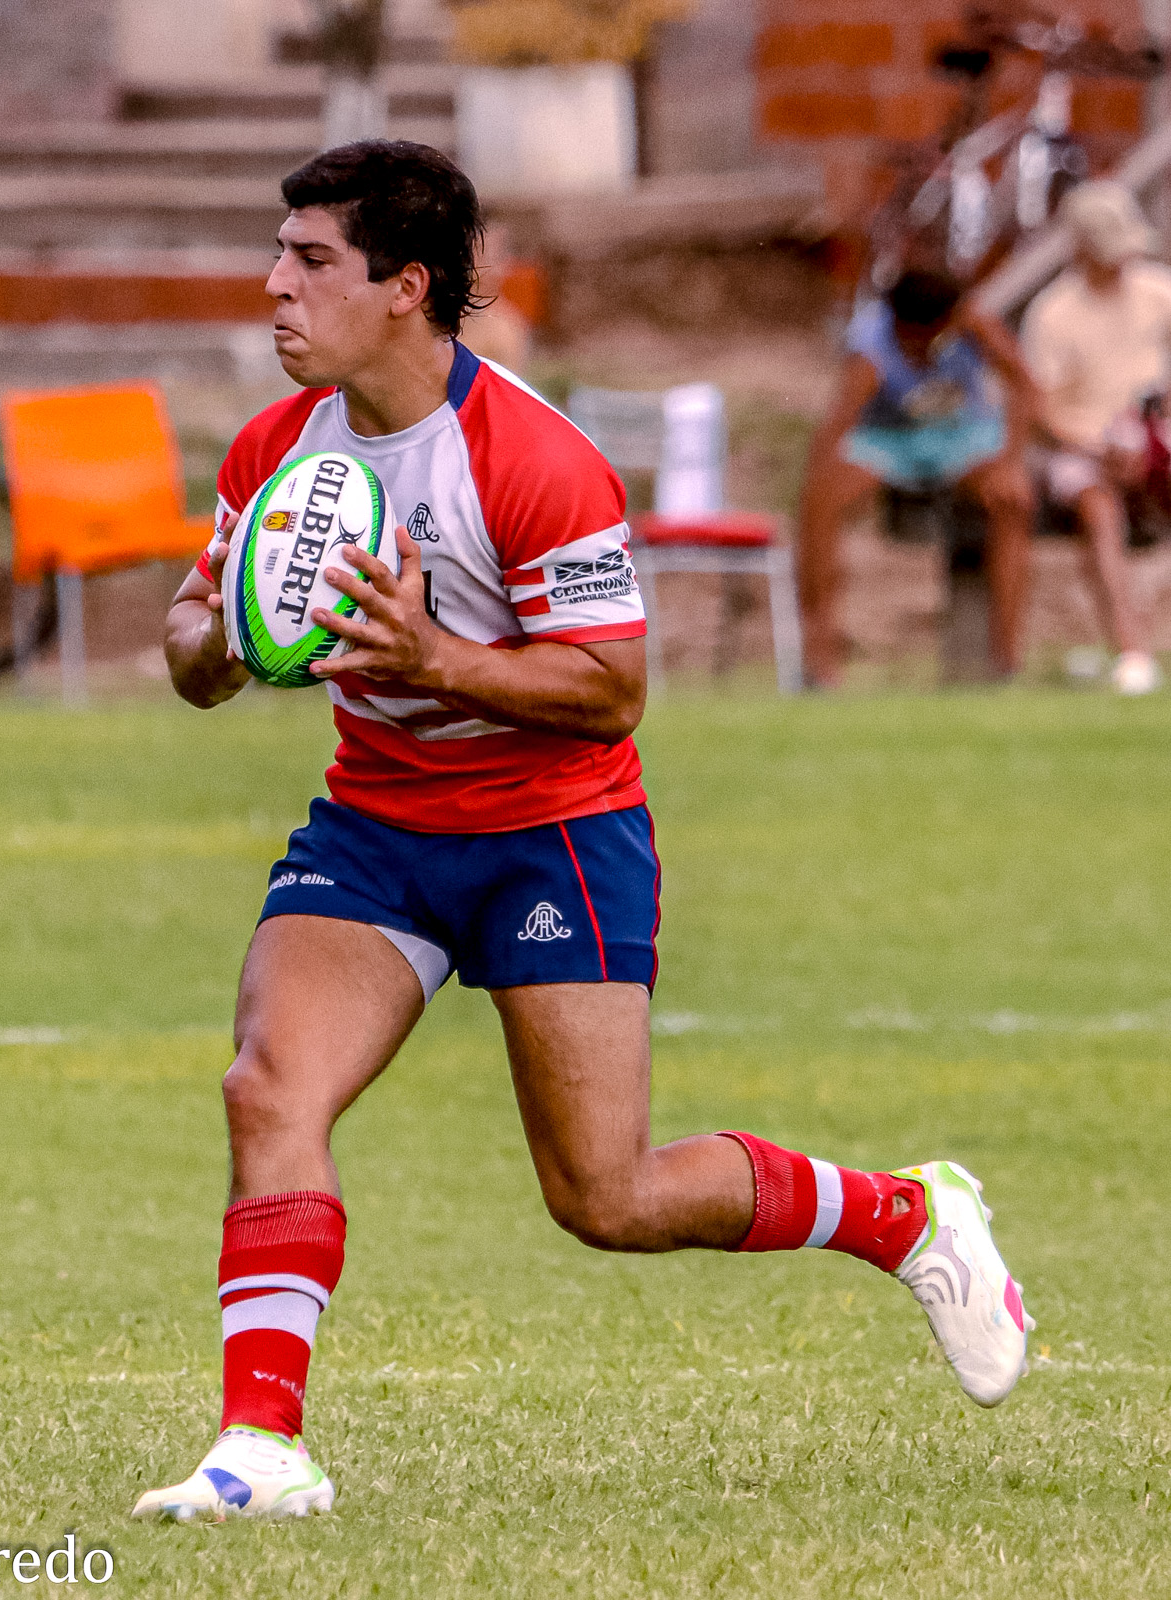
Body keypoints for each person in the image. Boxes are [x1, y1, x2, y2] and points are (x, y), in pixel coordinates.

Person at [135, 142, 1031, 1524]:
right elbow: (195, 635)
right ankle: (260, 1449)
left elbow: (609, 690)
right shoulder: (276, 449)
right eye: (279, 252)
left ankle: (901, 1216)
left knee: (605, 1196)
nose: (273, 285)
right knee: (268, 1090)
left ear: (404, 287)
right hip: (375, 829)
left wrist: (430, 654)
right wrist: (233, 649)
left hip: (551, 834)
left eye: (308, 259)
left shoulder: (533, 459)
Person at [797, 268, 1037, 688]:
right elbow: (839, 423)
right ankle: (820, 659)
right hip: (889, 442)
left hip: (961, 437)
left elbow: (1025, 386)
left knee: (1013, 498)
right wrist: (820, 482)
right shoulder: (871, 345)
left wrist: (1011, 460)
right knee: (821, 502)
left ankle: (1006, 663)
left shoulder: (973, 323)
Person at [1020, 180, 1169, 695]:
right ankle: (1132, 652)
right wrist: (1098, 450)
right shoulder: (1053, 313)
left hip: (1155, 437)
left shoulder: (1159, 291)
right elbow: (1040, 413)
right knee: (1097, 508)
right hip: (1080, 447)